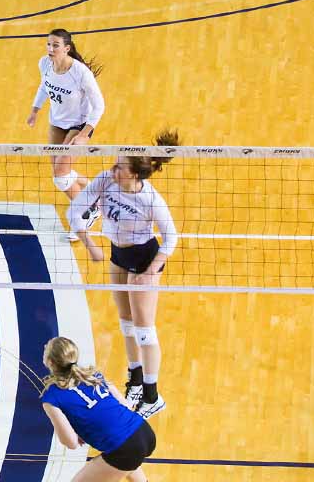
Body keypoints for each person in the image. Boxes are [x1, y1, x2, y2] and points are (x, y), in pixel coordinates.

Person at [68, 129, 180, 419]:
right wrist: (90, 243)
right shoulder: (107, 180)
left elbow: (171, 238)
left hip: (143, 259)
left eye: (119, 166)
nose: (112, 169)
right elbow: (76, 208)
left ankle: (153, 396)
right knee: (126, 324)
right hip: (118, 255)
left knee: (145, 330)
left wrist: (151, 271)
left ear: (133, 175)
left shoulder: (151, 200)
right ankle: (135, 379)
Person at [26, 28, 105, 241]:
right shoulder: (44, 64)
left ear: (66, 49)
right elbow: (44, 86)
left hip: (79, 124)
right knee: (60, 174)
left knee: (61, 176)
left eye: (55, 45)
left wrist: (84, 134)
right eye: (48, 44)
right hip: (57, 122)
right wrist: (35, 110)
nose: (50, 49)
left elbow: (99, 106)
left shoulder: (80, 73)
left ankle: (87, 213)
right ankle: (94, 191)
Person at [41, 337, 156, 482]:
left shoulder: (51, 397)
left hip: (126, 448)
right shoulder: (93, 375)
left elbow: (70, 443)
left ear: (50, 362)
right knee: (126, 460)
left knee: (125, 457)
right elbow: (126, 405)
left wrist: (78, 432)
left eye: (46, 348)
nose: (45, 347)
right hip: (143, 431)